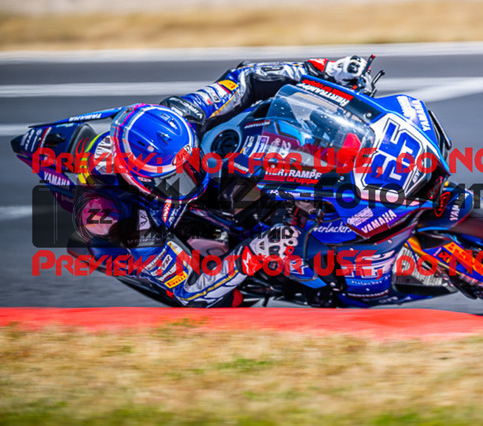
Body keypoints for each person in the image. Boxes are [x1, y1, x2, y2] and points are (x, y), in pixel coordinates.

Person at [73, 56, 372, 307]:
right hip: (156, 227)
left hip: (212, 174)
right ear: (138, 180)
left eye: (187, 162)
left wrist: (325, 69)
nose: (187, 174)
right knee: (226, 302)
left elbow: (246, 78)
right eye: (174, 176)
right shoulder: (130, 219)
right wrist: (255, 251)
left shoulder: (185, 112)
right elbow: (189, 290)